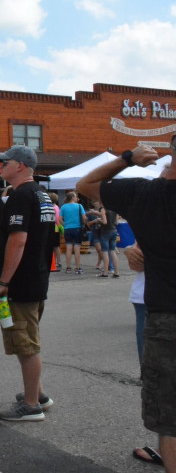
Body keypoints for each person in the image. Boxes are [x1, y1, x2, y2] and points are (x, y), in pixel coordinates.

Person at [76, 142, 176, 471]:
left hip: (165, 317)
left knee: (169, 414)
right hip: (161, 313)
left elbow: (84, 186)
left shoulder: (144, 193)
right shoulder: (146, 193)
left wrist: (128, 158)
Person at [0, 145, 57, 422]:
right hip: (37, 278)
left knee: (26, 343)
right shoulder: (42, 195)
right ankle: (37, 393)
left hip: (21, 282)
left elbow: (18, 239)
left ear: (20, 165)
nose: (1, 166)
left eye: (5, 162)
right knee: (24, 338)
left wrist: (4, 282)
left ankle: (31, 405)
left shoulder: (21, 195)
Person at [59, 191, 87, 274]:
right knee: (77, 249)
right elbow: (84, 218)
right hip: (77, 228)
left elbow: (60, 219)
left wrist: (65, 225)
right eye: (75, 196)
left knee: (68, 248)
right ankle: (77, 268)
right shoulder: (79, 206)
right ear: (72, 197)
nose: (76, 198)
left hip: (67, 229)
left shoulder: (63, 207)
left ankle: (68, 268)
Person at [98, 206, 120, 278]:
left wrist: (99, 220)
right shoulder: (115, 209)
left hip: (105, 232)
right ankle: (116, 272)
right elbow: (116, 222)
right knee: (113, 251)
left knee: (105, 252)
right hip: (114, 231)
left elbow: (104, 222)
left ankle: (105, 272)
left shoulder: (103, 209)